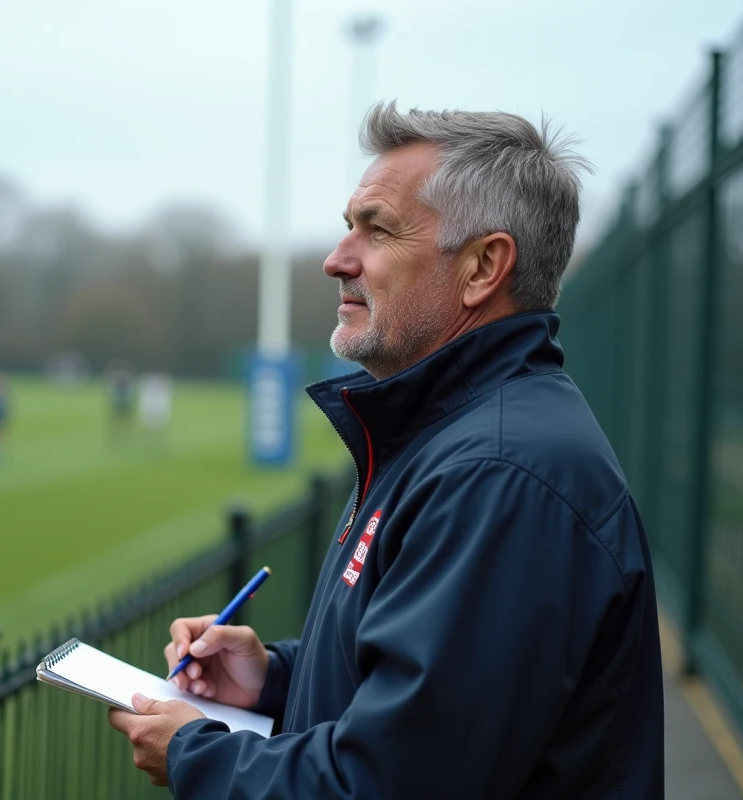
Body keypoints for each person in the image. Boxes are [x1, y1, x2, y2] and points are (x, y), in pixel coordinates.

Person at [109, 106, 664, 798]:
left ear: (483, 267)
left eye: (377, 230)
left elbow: (391, 783)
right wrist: (277, 682)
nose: (337, 259)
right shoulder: (448, 434)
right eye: (349, 226)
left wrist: (198, 756)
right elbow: (429, 705)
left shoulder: (496, 476)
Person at [138, 372, 172, 446]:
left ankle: (156, 435)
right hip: (152, 403)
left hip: (158, 403)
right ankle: (151, 435)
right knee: (150, 420)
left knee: (158, 421)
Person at [106, 360, 135, 443]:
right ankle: (121, 434)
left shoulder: (117, 378)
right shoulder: (125, 378)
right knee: (121, 420)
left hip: (120, 402)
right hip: (121, 402)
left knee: (120, 420)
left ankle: (121, 434)